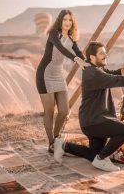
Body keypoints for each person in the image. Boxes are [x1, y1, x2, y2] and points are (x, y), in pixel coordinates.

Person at [54, 41, 124, 172]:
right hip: (94, 120)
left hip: (92, 120)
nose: (105, 55)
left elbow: (116, 73)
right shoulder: (93, 73)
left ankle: (63, 146)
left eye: (105, 53)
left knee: (93, 154)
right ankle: (102, 159)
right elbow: (118, 80)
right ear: (92, 57)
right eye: (102, 53)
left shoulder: (97, 69)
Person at [36, 9, 88, 153]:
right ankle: (52, 142)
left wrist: (89, 63)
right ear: (60, 21)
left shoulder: (71, 38)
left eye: (70, 20)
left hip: (58, 75)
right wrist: (76, 59)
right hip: (45, 74)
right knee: (50, 111)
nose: (67, 22)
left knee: (64, 111)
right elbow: (61, 49)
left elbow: (78, 53)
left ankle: (57, 137)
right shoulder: (54, 34)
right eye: (65, 19)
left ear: (73, 22)